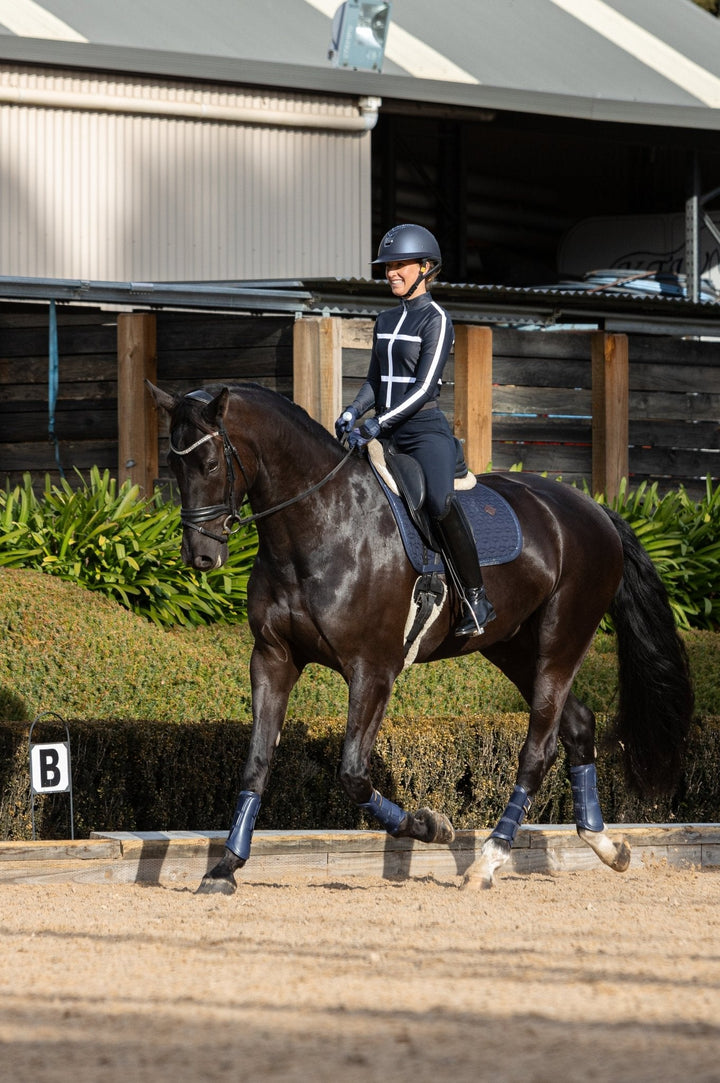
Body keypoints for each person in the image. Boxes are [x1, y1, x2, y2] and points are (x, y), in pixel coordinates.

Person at [335, 223, 496, 636]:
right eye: (387, 267)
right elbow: (375, 380)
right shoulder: (385, 318)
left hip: (423, 431)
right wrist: (353, 412)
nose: (391, 273)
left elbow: (424, 388)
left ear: (425, 267)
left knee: (439, 502)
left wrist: (377, 422)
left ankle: (477, 597)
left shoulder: (436, 319)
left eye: (399, 265)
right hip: (383, 429)